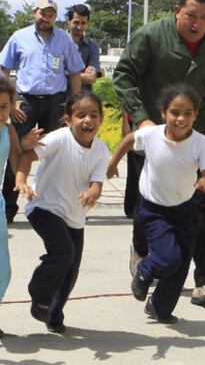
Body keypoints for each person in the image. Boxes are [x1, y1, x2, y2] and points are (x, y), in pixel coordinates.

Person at [113, 0, 205, 306]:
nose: (197, 24)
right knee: (145, 203)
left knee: (202, 205)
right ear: (176, 10)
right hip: (154, 135)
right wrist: (141, 118)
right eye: (191, 16)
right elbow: (124, 75)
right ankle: (141, 248)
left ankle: (204, 279)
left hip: (200, 135)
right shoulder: (151, 36)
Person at [107, 83, 205, 323]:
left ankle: (160, 307)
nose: (181, 118)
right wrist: (113, 161)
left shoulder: (200, 142)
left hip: (186, 208)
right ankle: (144, 271)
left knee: (181, 262)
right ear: (163, 113)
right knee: (168, 257)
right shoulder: (151, 135)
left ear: (196, 115)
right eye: (175, 112)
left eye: (188, 113)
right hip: (154, 208)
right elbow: (129, 139)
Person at [14, 92, 109, 333]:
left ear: (101, 119)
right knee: (63, 253)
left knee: (71, 270)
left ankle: (52, 313)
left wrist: (92, 194)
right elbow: (28, 155)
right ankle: (39, 293)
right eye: (81, 115)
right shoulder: (58, 138)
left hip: (74, 215)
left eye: (93, 115)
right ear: (67, 119)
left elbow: (97, 183)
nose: (88, 120)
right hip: (44, 207)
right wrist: (22, 180)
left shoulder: (100, 150)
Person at [0, 0, 84, 223]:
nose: (45, 17)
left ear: (55, 18)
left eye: (50, 14)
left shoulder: (65, 40)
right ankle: (8, 207)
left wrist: (71, 106)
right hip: (25, 104)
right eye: (42, 13)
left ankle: (50, 206)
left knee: (55, 155)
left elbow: (75, 73)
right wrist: (11, 101)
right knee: (14, 153)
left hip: (55, 104)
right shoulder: (19, 37)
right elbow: (3, 70)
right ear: (34, 13)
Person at [0, 77, 21, 337]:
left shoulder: (9, 131)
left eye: (3, 107)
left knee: (1, 267)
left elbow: (17, 160)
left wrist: (22, 183)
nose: (0, 113)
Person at [67, 4, 101, 92]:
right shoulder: (59, 44)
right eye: (76, 22)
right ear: (68, 21)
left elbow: (91, 78)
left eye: (83, 23)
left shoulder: (92, 47)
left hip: (83, 101)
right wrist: (83, 75)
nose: (79, 27)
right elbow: (55, 77)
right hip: (61, 101)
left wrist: (66, 75)